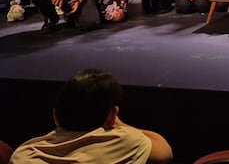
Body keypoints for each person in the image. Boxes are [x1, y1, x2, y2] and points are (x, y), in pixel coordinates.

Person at [10, 68, 173, 164]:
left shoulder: (23, 155)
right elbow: (164, 151)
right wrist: (117, 123)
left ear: (55, 116)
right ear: (112, 116)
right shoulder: (124, 142)